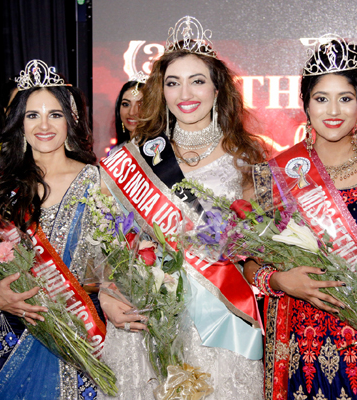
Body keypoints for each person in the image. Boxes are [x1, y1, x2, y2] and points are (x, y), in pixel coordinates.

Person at [244, 35, 357, 399]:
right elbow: (249, 264)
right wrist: (280, 281)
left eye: (345, 98)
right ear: (305, 105)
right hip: (295, 343)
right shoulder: (275, 176)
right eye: (321, 98)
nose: (333, 110)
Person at [98, 16, 267, 399]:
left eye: (197, 80)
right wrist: (107, 291)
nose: (185, 93)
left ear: (217, 88)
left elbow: (260, 245)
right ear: (161, 90)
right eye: (173, 82)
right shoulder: (136, 157)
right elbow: (108, 237)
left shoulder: (247, 157)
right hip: (145, 317)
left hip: (219, 319)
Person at [0, 59, 106, 399]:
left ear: (71, 119)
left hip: (82, 332)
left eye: (55, 114)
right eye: (33, 115)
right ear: (19, 122)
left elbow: (120, 261)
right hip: (16, 331)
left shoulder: (99, 182)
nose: (43, 125)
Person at [113, 72, 147, 147]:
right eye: (126, 104)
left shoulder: (160, 150)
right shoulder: (116, 151)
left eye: (141, 105)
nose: (132, 112)